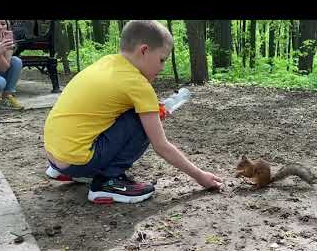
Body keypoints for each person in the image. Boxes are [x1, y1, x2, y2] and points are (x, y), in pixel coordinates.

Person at [44, 20, 223, 204]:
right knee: (143, 124)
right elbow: (161, 145)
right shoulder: (138, 84)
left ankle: (62, 170)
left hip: (55, 154)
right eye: (162, 60)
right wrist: (200, 176)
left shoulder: (106, 62)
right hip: (77, 161)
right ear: (144, 50)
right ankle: (107, 182)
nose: (162, 68)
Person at [0, 20, 24, 110]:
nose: (0, 27)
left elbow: (4, 69)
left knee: (16, 61)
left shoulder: (7, 39)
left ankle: (6, 99)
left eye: (3, 24)